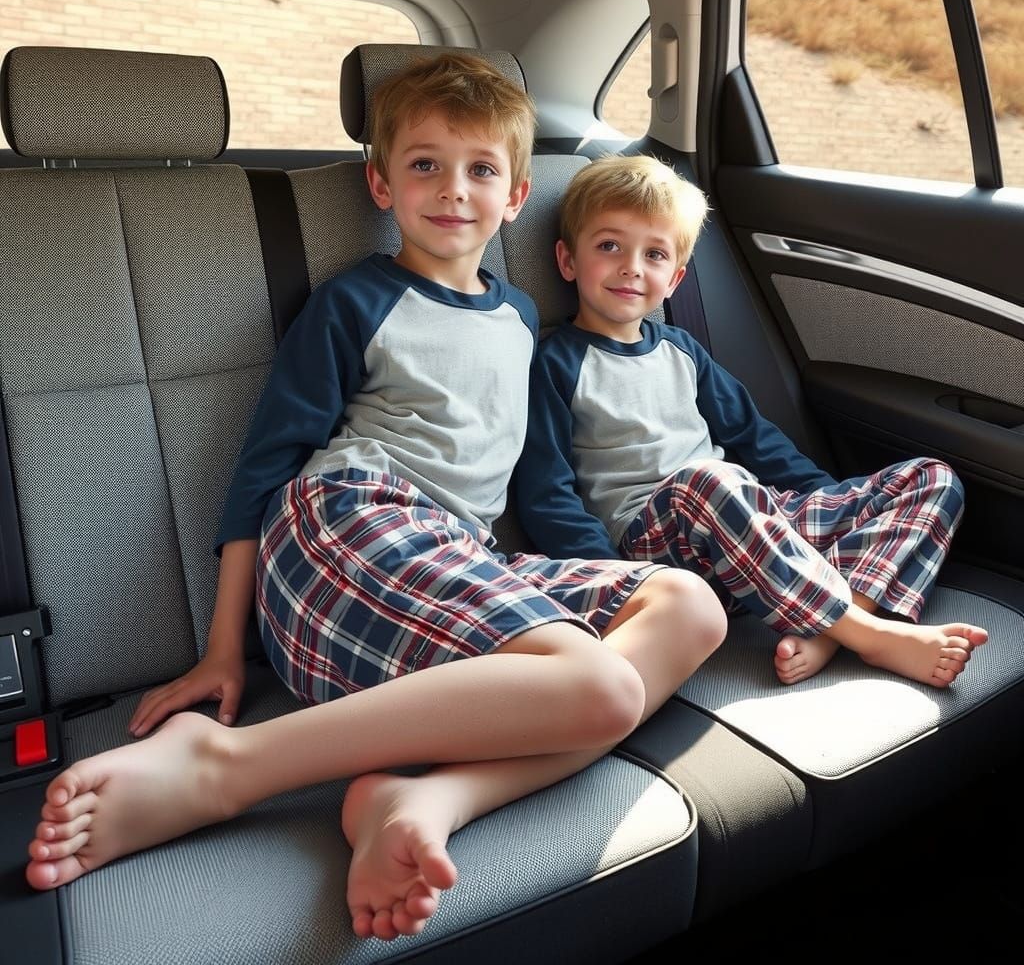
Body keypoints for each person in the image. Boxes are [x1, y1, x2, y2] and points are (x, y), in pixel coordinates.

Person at [25, 56, 726, 942]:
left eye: (480, 170)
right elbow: (263, 469)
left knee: (690, 609)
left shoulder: (521, 322)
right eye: (424, 164)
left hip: (459, 563)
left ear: (515, 196)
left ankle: (426, 797)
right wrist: (222, 650)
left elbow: (534, 483)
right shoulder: (358, 299)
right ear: (380, 183)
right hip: (346, 528)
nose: (452, 190)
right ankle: (224, 767)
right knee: (601, 685)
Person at [516, 154, 987, 689]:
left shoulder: (683, 352)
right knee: (709, 479)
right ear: (568, 259)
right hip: (657, 547)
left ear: (674, 278)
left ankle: (833, 625)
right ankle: (867, 632)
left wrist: (827, 506)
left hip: (748, 529)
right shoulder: (554, 363)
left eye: (654, 254)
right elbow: (547, 493)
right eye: (609, 247)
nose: (631, 267)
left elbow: (754, 438)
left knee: (931, 476)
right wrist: (620, 581)